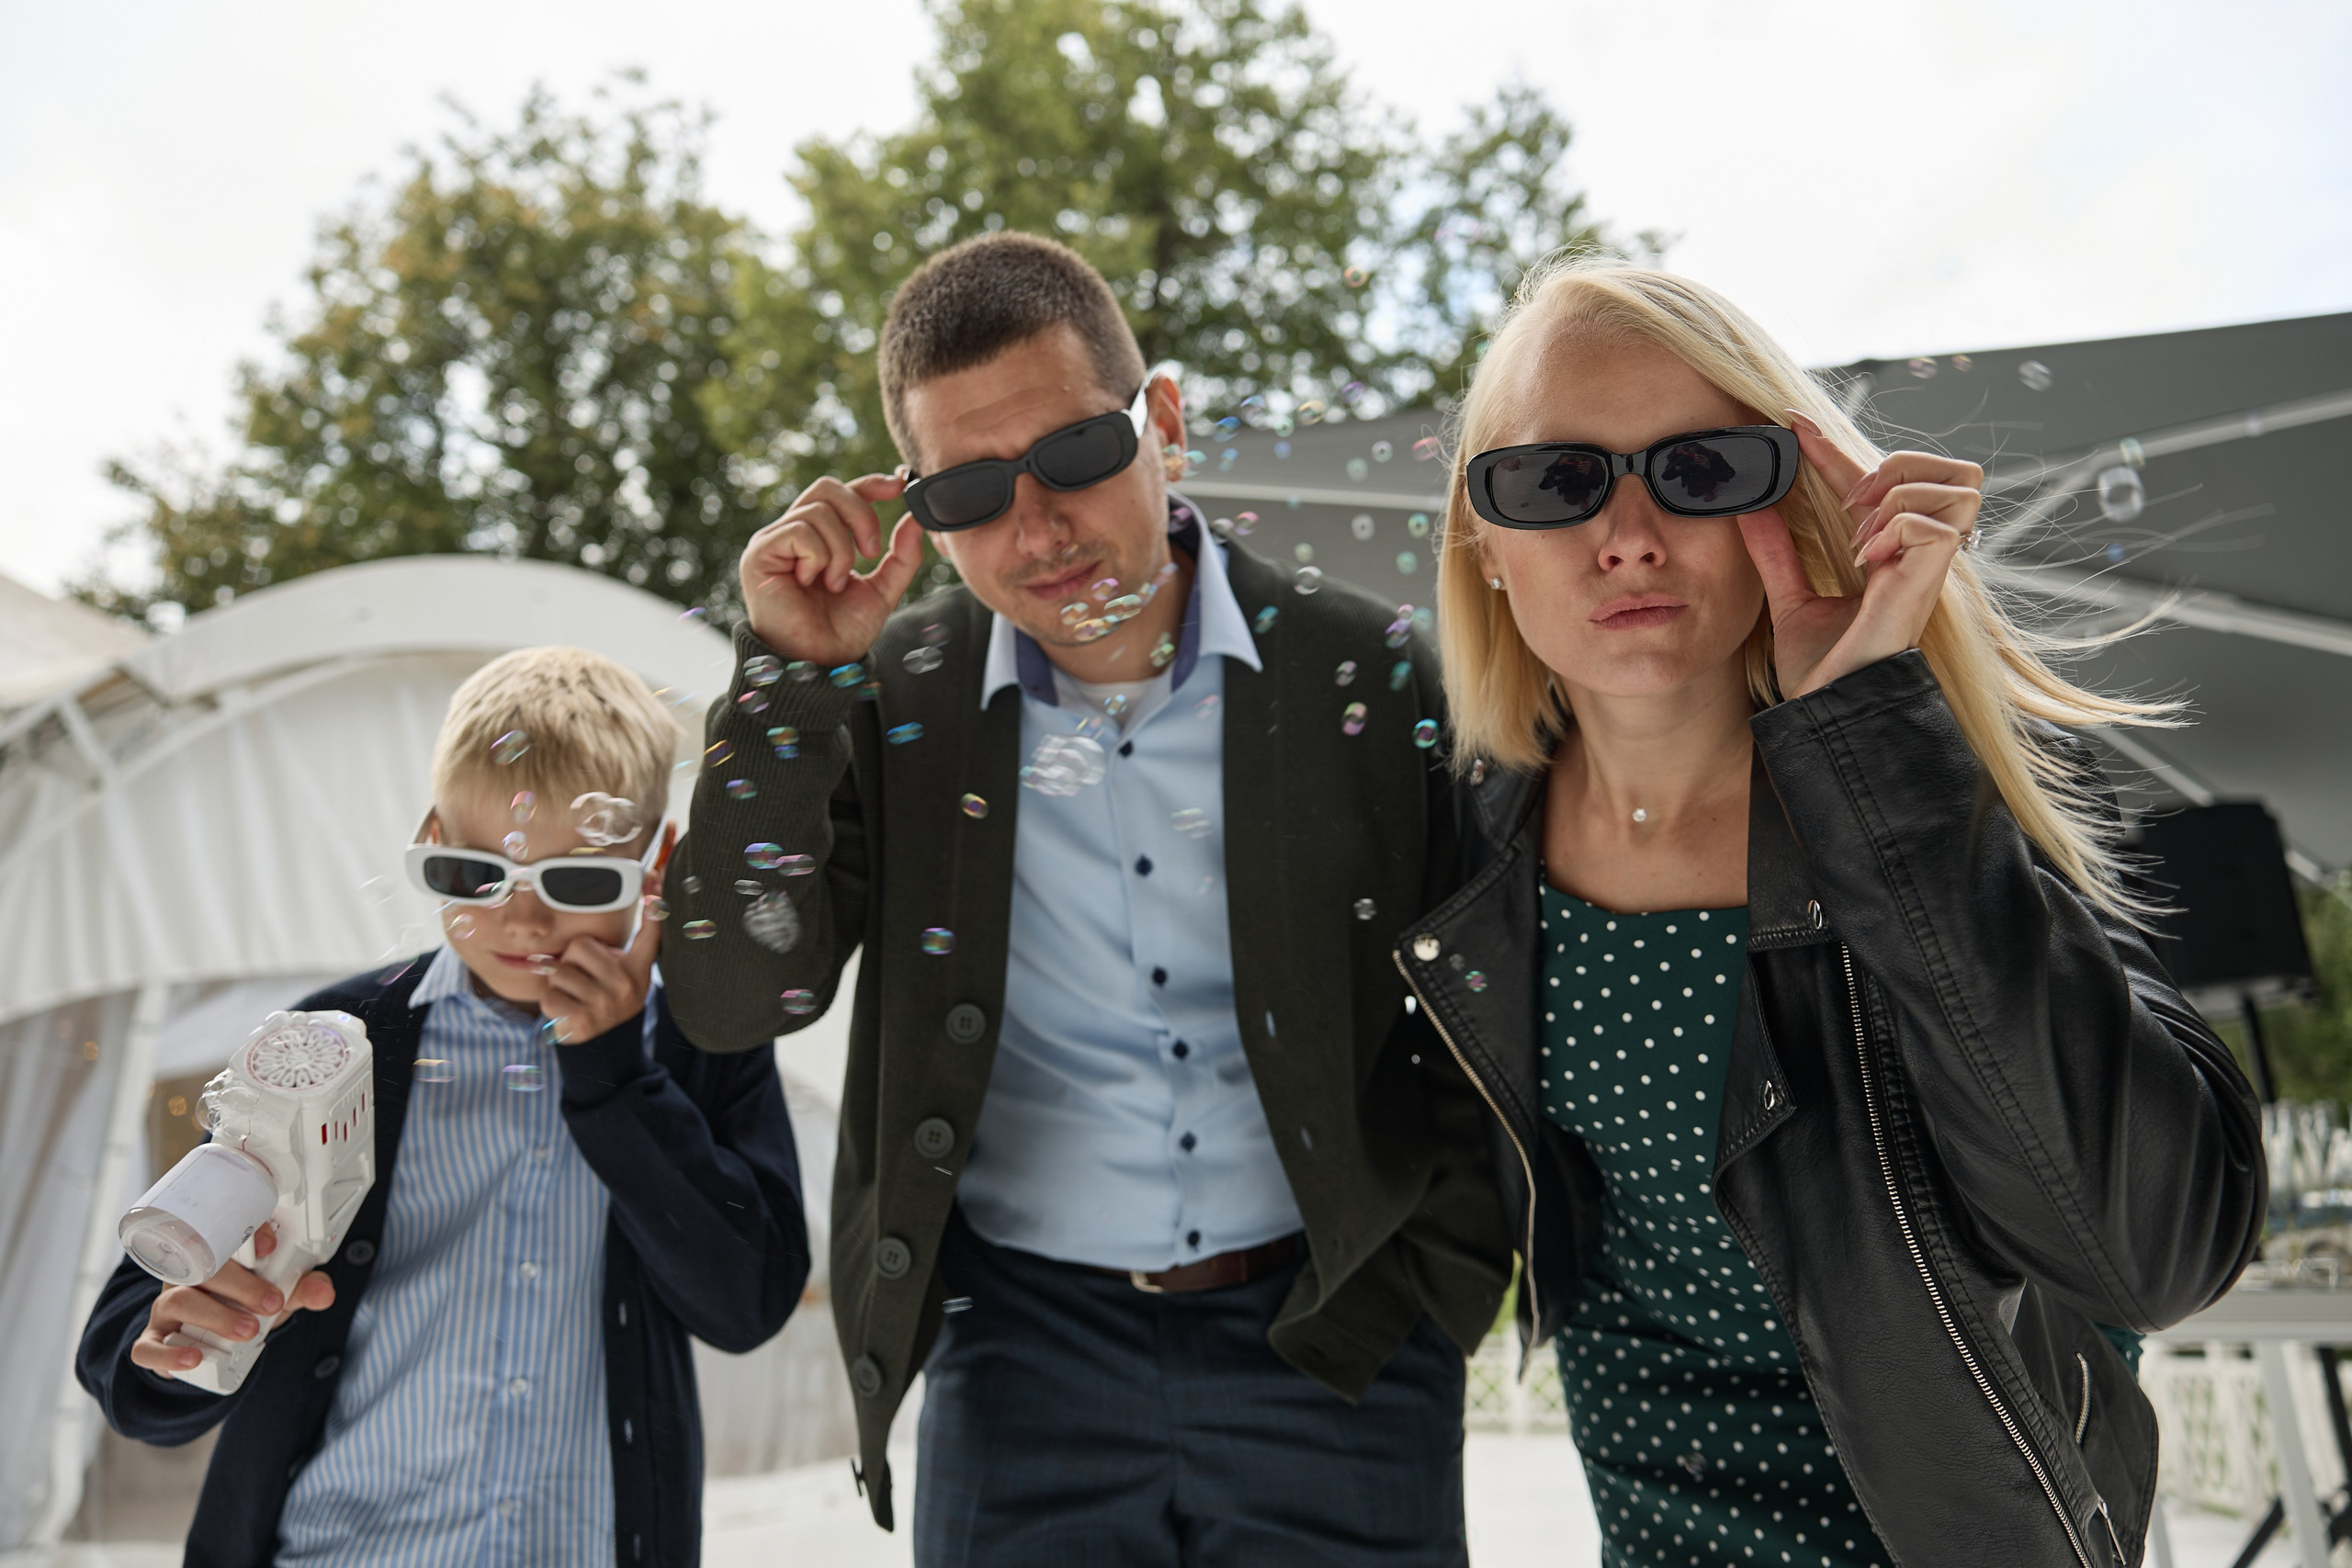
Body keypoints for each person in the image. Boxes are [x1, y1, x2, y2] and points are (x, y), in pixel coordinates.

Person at [1394, 257, 2264, 1568]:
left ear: (1784, 494)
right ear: (1486, 542)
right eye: (1558, 480)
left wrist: (1873, 742)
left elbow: (2149, 1251)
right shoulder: (1466, 836)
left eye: (1698, 469)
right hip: (1655, 1531)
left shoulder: (1931, 767)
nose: (1627, 534)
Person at [659, 231, 1511, 1565]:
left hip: (1336, 1331)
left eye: (1072, 456)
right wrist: (784, 679)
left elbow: (1487, 1011)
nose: (1037, 526)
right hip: (1025, 1358)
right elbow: (729, 996)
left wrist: (1433, 1285)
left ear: (1159, 417)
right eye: (971, 492)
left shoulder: (1373, 672)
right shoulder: (889, 697)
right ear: (918, 504)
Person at [79, 647, 809, 1568]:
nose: (524, 924)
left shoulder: (707, 1043)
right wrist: (177, 1343)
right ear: (430, 836)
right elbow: (131, 1346)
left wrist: (615, 1077)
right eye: (476, 874)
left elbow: (746, 1305)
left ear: (655, 863)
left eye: (580, 882)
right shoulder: (333, 1038)